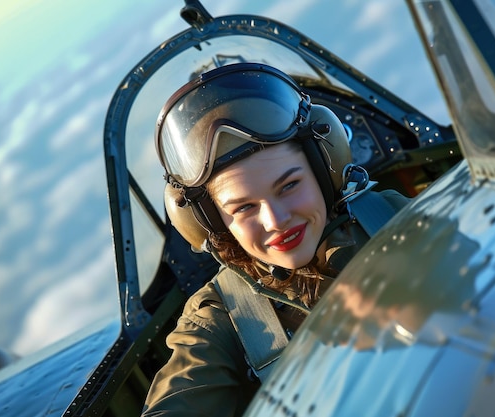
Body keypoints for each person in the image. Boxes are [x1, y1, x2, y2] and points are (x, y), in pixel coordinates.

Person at [141, 63, 408, 417]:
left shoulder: (395, 219)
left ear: (322, 169)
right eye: (244, 207)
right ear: (211, 222)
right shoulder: (220, 316)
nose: (276, 220)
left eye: (290, 186)